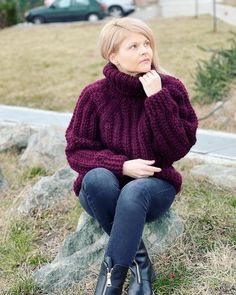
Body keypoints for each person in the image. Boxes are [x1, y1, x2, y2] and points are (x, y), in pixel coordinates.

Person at [65, 17, 198, 295]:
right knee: (98, 178)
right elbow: (77, 151)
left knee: (134, 193)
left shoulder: (170, 89)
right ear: (113, 55)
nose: (144, 51)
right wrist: (123, 165)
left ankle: (108, 289)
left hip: (153, 188)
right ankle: (140, 266)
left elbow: (178, 148)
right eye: (134, 46)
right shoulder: (94, 95)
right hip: (103, 193)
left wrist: (156, 99)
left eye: (147, 43)